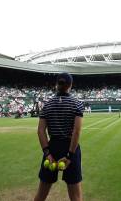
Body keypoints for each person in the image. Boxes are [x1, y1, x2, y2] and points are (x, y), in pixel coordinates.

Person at [34, 73, 84, 201]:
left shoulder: (48, 104)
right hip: (70, 147)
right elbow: (77, 132)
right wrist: (70, 156)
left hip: (53, 147)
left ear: (57, 84)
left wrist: (47, 153)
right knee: (76, 197)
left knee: (41, 194)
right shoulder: (77, 104)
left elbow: (40, 131)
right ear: (70, 85)